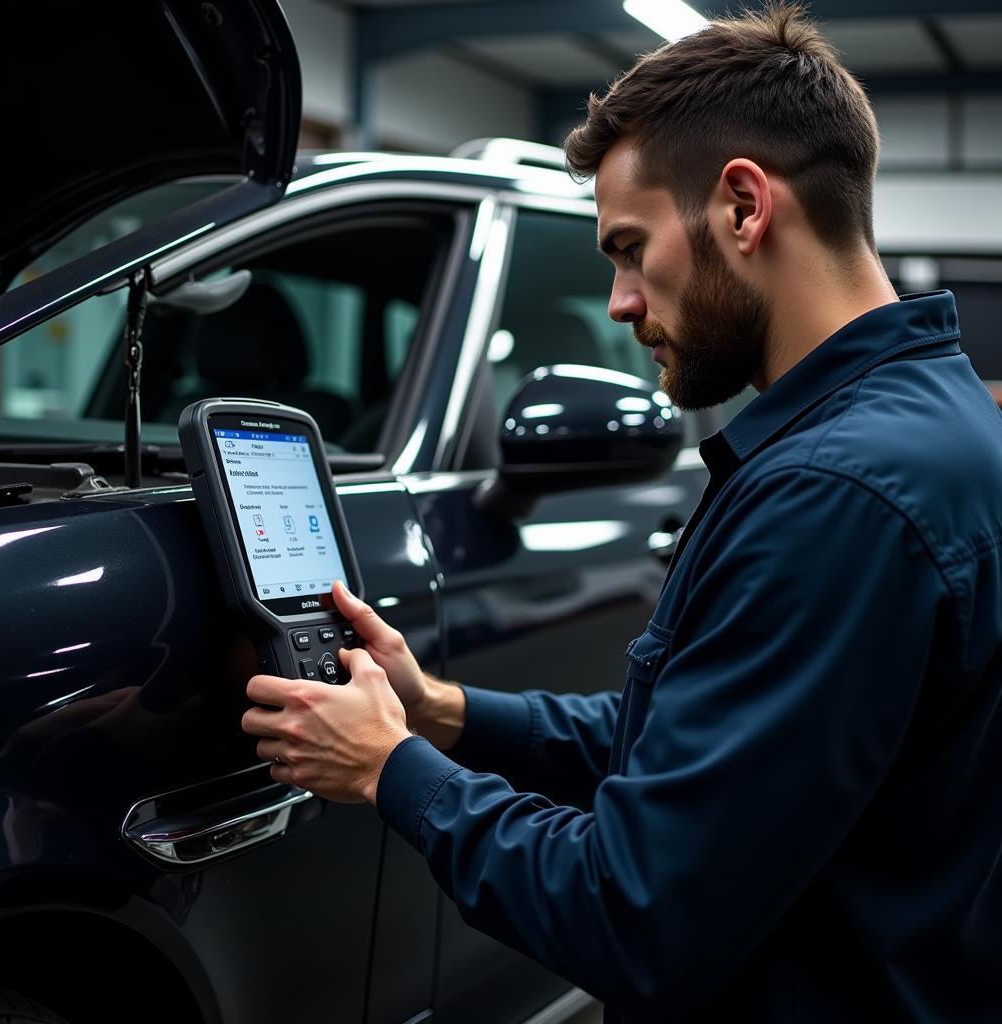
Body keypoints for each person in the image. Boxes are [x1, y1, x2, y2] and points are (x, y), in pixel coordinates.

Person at [242, 4, 1002, 1020]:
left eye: (631, 249)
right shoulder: (920, 424)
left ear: (742, 206)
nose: (618, 301)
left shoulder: (834, 497)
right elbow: (696, 740)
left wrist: (395, 770)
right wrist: (444, 712)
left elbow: (635, 913)